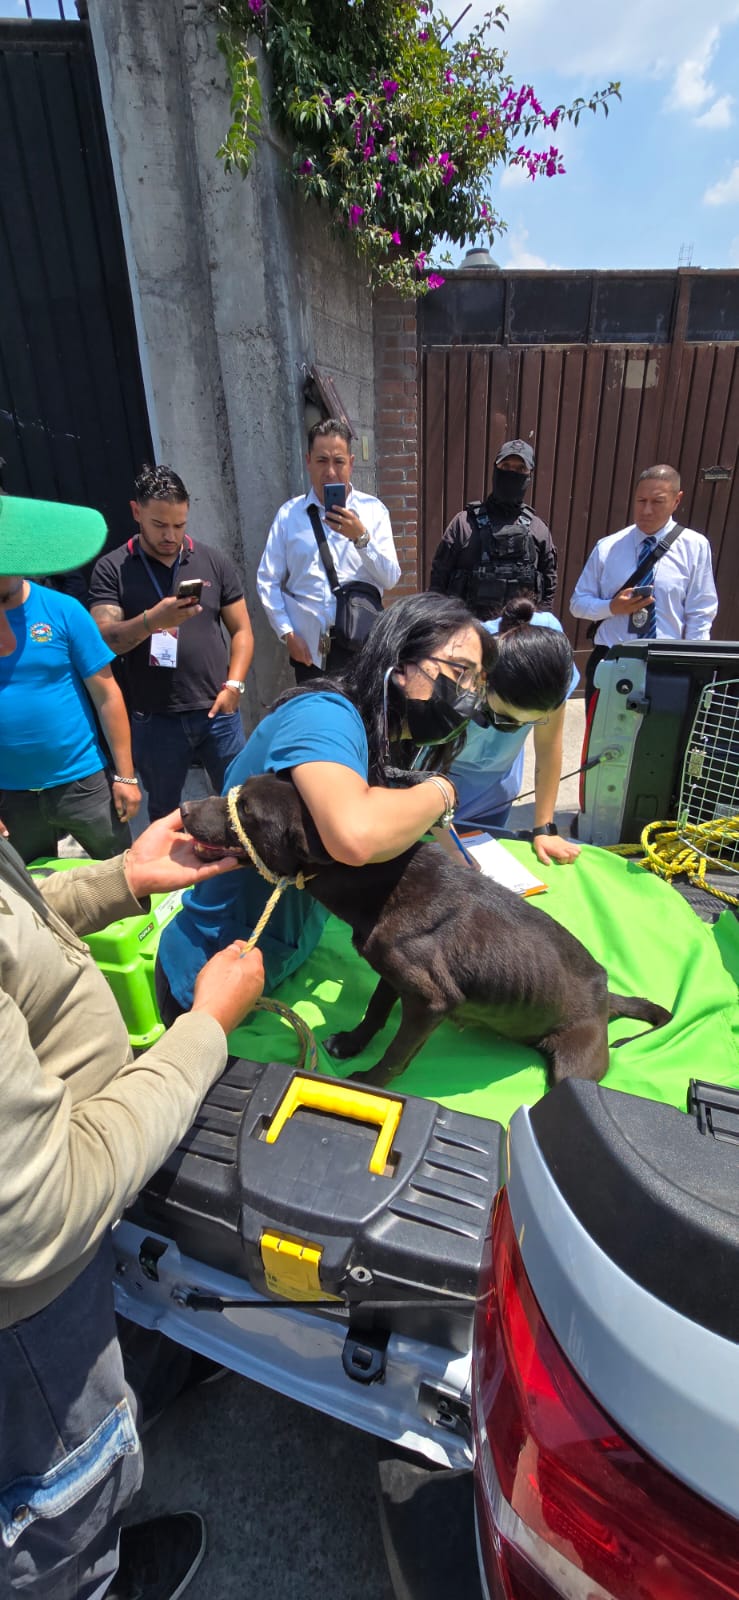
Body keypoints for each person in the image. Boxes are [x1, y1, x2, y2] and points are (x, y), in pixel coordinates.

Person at [156, 592, 490, 1018]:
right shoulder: (325, 716)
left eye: (475, 684)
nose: (466, 696)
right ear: (402, 663)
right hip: (208, 977)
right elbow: (355, 836)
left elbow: (409, 819)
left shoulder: (385, 736)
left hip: (274, 962)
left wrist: (471, 879)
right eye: (459, 673)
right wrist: (443, 790)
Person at [89, 464, 254, 819]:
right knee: (164, 812)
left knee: (240, 803)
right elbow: (104, 640)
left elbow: (241, 630)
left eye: (179, 525)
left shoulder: (212, 561)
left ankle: (238, 869)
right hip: (156, 718)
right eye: (159, 525)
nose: (170, 535)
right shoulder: (113, 568)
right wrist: (153, 621)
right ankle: (175, 874)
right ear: (137, 512)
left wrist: (235, 685)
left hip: (217, 710)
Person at [0, 569, 142, 864]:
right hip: (10, 797)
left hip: (82, 782)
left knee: (123, 879)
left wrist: (126, 777)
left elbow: (107, 695)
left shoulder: (63, 610)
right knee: (27, 898)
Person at [256, 417, 401, 681]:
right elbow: (268, 580)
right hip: (310, 652)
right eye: (322, 461)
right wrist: (286, 633)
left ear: (352, 463)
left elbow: (390, 578)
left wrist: (361, 538)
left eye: (339, 461)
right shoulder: (289, 516)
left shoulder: (373, 511)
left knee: (364, 721)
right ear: (308, 461)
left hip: (363, 646)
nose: (331, 472)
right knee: (317, 721)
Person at [569, 464, 719, 711]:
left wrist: (695, 668)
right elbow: (577, 604)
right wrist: (612, 607)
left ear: (676, 500)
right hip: (613, 660)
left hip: (668, 664)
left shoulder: (695, 547)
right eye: (641, 500)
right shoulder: (608, 547)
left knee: (660, 745)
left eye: (657, 501)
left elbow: (700, 612)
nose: (646, 510)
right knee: (603, 747)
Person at [448, 597, 581, 866]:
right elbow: (418, 768)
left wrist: (544, 828)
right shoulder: (452, 664)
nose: (514, 730)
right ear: (482, 679)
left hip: (496, 790)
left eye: (529, 722)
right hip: (438, 784)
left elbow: (548, 747)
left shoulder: (548, 655)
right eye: (504, 720)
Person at [428, 439, 557, 620]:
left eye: (520, 469)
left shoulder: (539, 530)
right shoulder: (464, 524)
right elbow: (438, 584)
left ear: (530, 476)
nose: (512, 473)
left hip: (518, 641)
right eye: (506, 466)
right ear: (495, 470)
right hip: (468, 637)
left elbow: (548, 591)